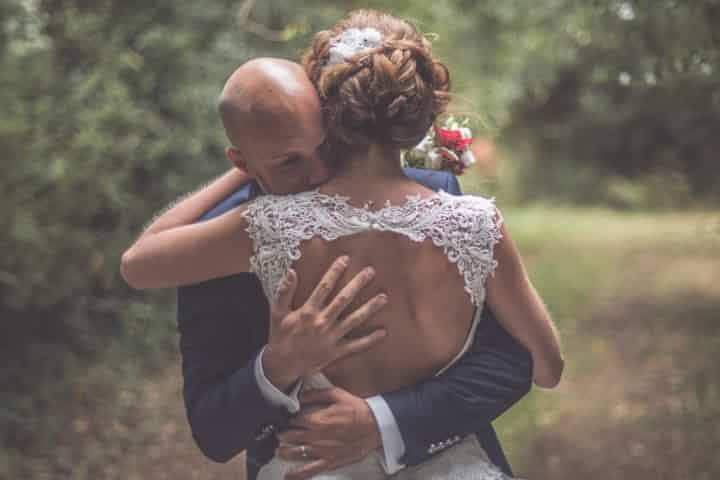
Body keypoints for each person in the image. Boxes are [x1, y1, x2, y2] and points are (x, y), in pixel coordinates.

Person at [122, 9, 562, 478]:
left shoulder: (260, 228)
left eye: (320, 146)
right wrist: (277, 365)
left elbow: (507, 363)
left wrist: (386, 422)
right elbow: (547, 367)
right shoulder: (477, 222)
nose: (314, 175)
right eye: (289, 161)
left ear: (331, 117)